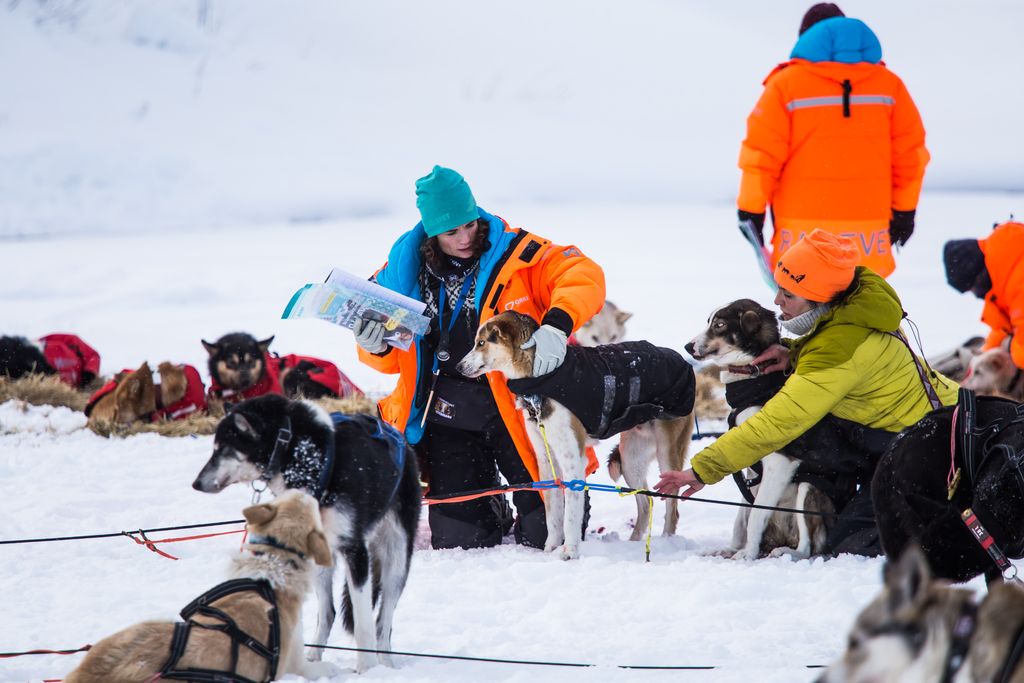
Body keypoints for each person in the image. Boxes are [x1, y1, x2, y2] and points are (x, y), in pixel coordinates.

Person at [655, 230, 958, 555]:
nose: (776, 301)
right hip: (905, 432)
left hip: (933, 448)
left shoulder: (837, 350)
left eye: (788, 293)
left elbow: (777, 423)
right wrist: (794, 351)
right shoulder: (856, 307)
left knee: (853, 544)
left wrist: (703, 469)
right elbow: (838, 347)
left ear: (819, 297)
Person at [355, 165, 606, 550]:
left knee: (544, 536)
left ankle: (525, 506)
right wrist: (374, 346)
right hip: (448, 413)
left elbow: (583, 274)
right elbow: (391, 363)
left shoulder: (520, 254)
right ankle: (492, 506)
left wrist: (557, 324)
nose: (464, 238)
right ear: (431, 233)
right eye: (451, 232)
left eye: (469, 225)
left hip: (519, 408)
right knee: (460, 540)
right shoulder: (398, 278)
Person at [737, 3, 929, 279]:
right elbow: (910, 157)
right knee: (862, 310)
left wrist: (750, 210)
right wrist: (904, 211)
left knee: (807, 312)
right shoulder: (890, 85)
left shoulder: (785, 85)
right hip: (867, 234)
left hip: (801, 233)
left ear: (805, 38)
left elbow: (760, 156)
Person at [943, 220, 1024, 368]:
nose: (976, 296)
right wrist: (986, 352)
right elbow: (1005, 325)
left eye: (972, 289)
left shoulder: (1018, 284)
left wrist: (1005, 356)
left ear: (979, 277)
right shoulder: (1006, 259)